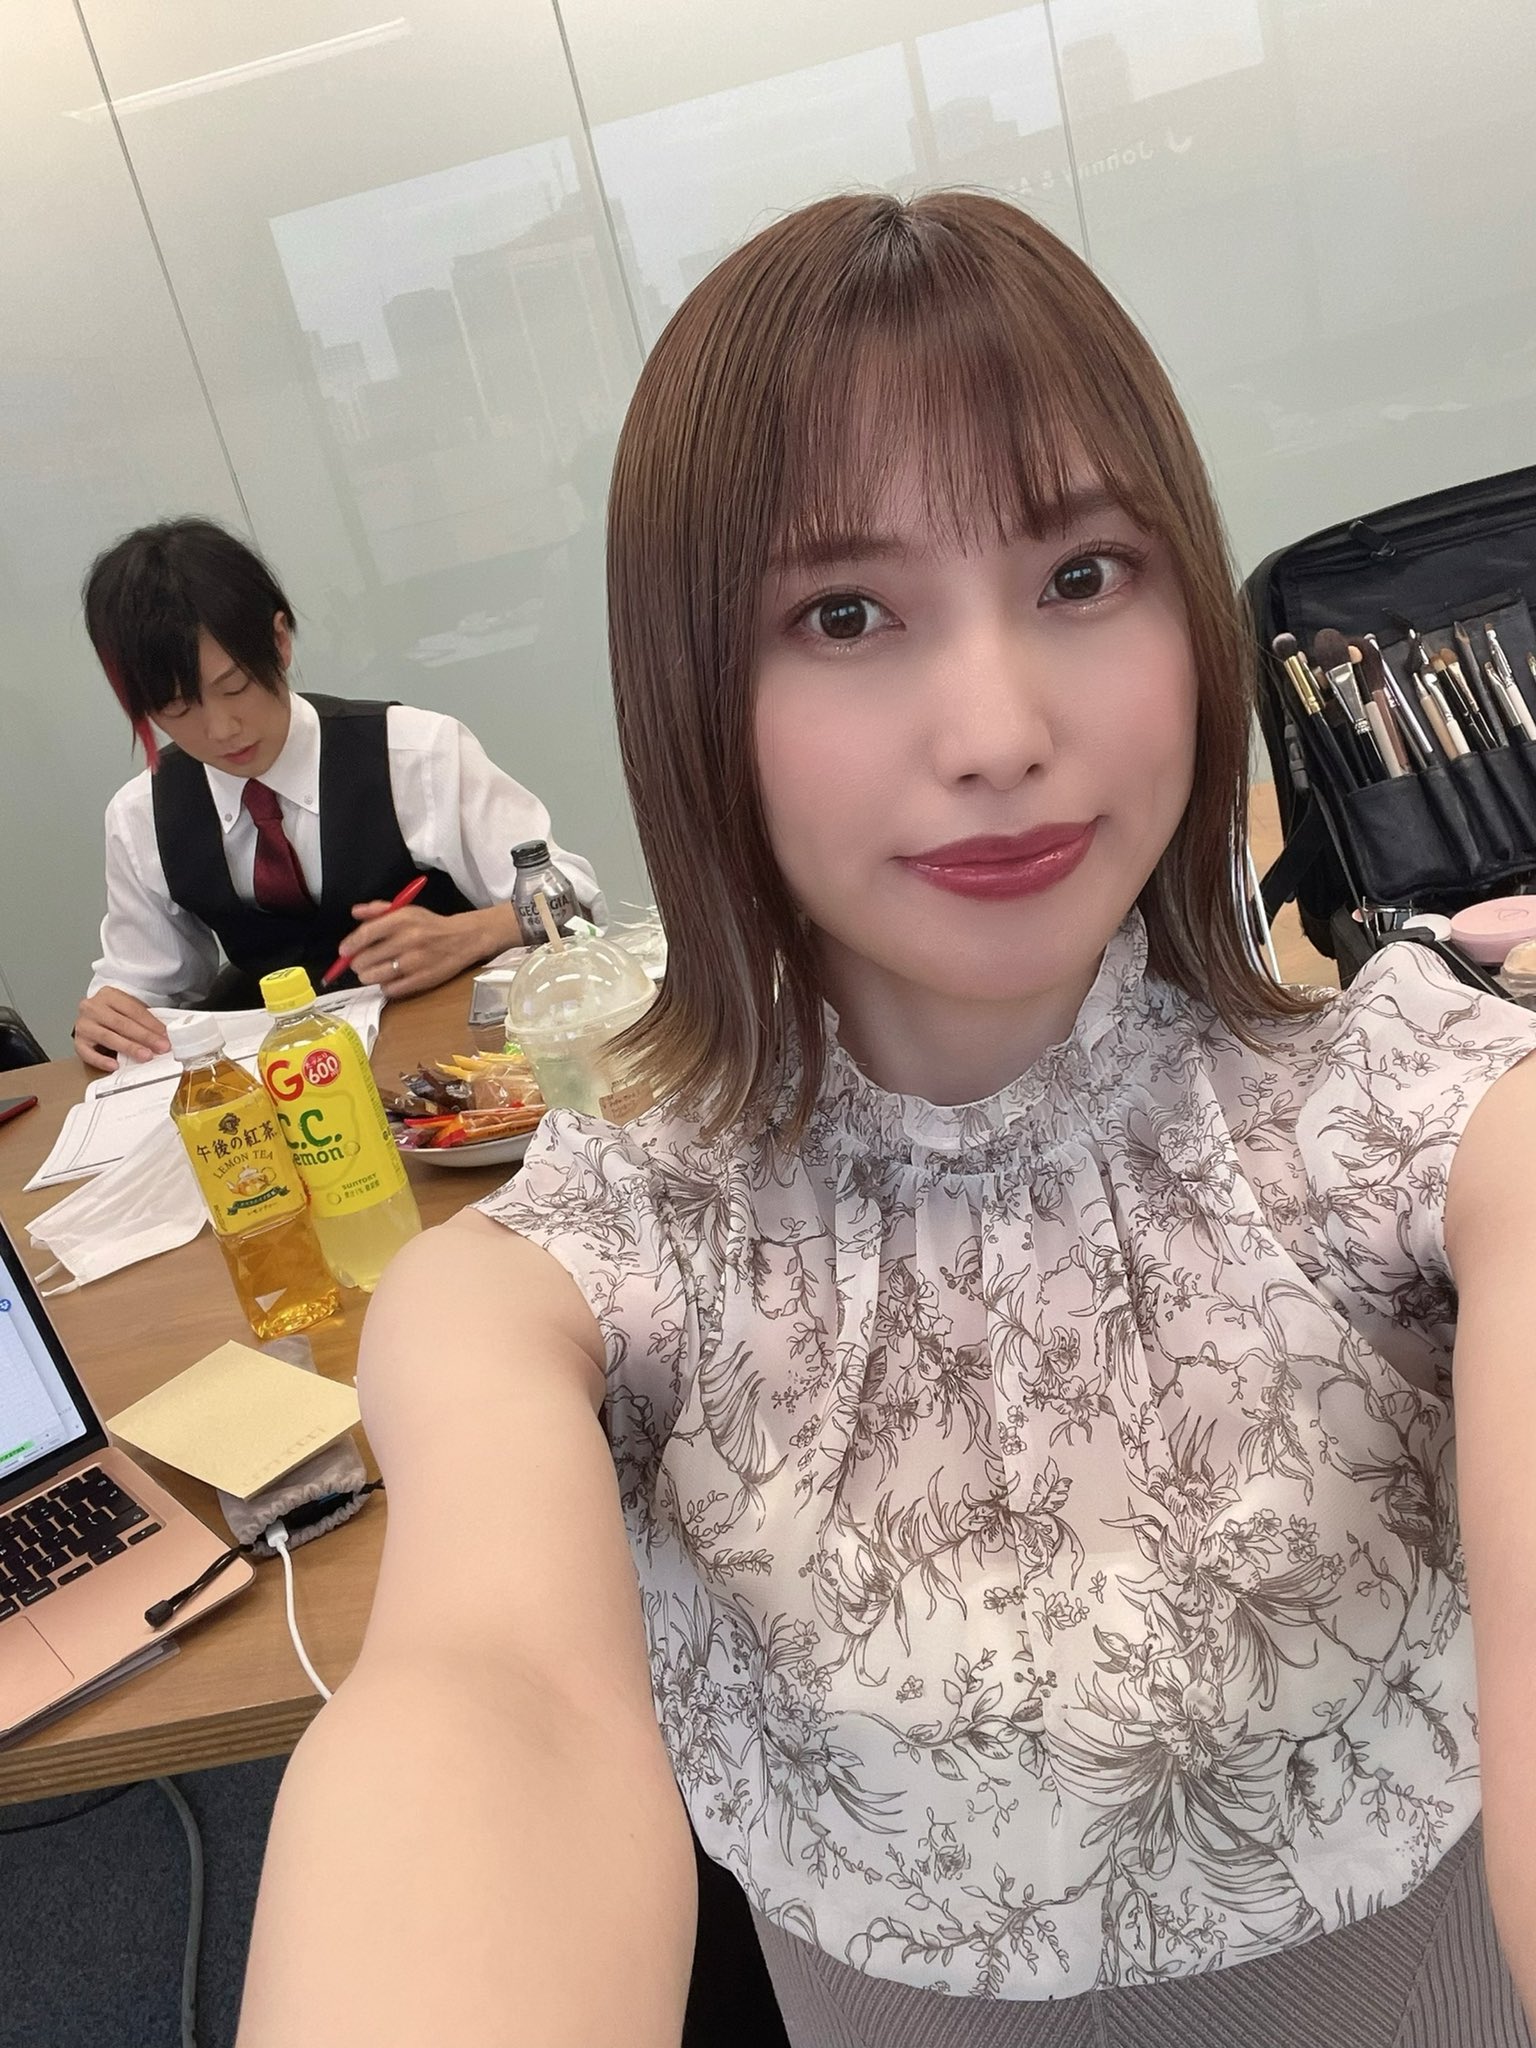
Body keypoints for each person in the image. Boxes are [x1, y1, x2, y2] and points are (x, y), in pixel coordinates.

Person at [236, 192, 1536, 2047]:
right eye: (845, 614)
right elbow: (486, 1696)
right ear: (695, 689)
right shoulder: (598, 1261)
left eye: (1082, 575)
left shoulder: (1412, 1117)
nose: (997, 727)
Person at [73, 519, 603, 1071]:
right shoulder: (142, 816)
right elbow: (142, 987)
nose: (222, 729)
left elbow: (579, 904)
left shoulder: (414, 753)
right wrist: (112, 1015)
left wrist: (469, 933)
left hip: (469, 1061)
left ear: (279, 641)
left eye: (235, 687)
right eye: (177, 709)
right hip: (292, 1079)